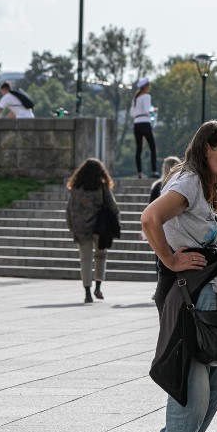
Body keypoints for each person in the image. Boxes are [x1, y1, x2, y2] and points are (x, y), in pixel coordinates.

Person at [139, 119, 217, 432]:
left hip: (198, 289)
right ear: (205, 148)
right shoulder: (188, 182)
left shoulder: (196, 182)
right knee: (193, 382)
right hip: (187, 291)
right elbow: (150, 217)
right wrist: (169, 258)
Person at [64, 158, 120, 304]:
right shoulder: (102, 186)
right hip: (100, 227)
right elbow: (113, 206)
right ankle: (98, 287)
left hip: (81, 228)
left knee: (85, 259)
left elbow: (69, 209)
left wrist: (72, 226)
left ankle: (87, 292)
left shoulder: (75, 188)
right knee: (101, 255)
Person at [131, 77, 159, 179]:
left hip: (136, 123)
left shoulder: (136, 98)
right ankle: (154, 171)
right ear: (145, 87)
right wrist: (154, 110)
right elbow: (147, 109)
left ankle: (139, 172)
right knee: (152, 147)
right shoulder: (146, 96)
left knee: (138, 149)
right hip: (145, 122)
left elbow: (132, 112)